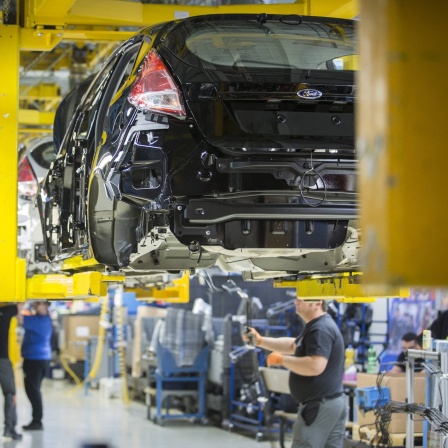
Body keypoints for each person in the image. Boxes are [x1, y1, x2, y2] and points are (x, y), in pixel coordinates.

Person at [244, 299, 346, 448]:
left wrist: (282, 360)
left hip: (319, 407)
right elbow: (294, 345)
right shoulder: (316, 326)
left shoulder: (321, 329)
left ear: (317, 303)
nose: (296, 302)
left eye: (302, 299)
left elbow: (315, 365)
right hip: (329, 404)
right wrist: (260, 341)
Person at [19, 301, 53, 431]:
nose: (34, 305)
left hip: (35, 360)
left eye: (38, 303)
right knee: (34, 390)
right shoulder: (41, 319)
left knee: (33, 391)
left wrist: (18, 303)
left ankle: (37, 421)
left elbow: (19, 318)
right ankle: (36, 420)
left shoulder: (41, 322)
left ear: (45, 305)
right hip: (38, 359)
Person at [0, 303, 22, 440]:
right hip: (3, 360)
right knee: (10, 394)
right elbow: (20, 304)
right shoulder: (8, 311)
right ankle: (9, 429)